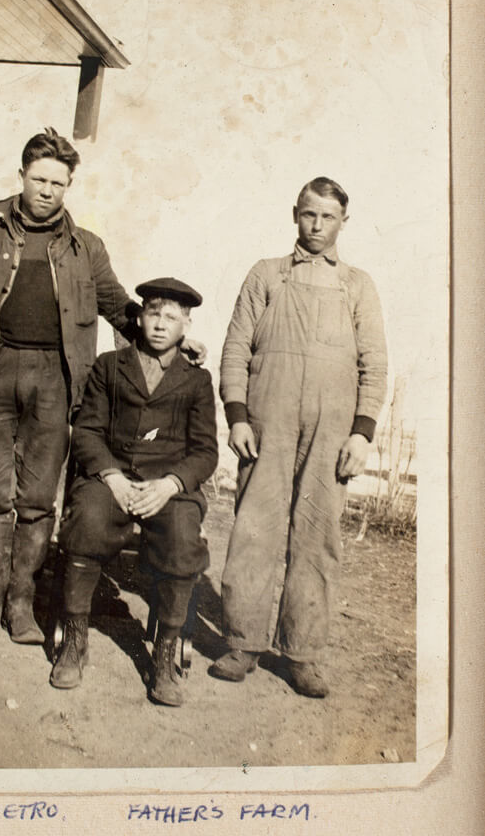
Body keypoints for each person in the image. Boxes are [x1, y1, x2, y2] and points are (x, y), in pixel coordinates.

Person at [0, 129, 204, 645]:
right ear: (21, 177)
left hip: (56, 380)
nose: (47, 191)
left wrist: (173, 345)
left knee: (37, 495)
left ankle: (21, 607)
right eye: (39, 179)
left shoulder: (87, 249)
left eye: (58, 183)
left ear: (69, 186)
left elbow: (120, 306)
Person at [211, 177, 387, 697]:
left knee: (317, 537)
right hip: (267, 423)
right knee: (254, 529)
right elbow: (235, 348)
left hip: (331, 434)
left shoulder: (359, 285)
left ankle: (303, 654)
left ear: (342, 223)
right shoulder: (266, 275)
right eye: (309, 215)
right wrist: (238, 415)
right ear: (295, 214)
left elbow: (374, 366)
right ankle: (242, 643)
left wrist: (362, 433)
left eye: (328, 217)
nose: (317, 226)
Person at [51, 277, 218, 707]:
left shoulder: (196, 381)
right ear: (139, 317)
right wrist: (112, 477)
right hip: (113, 479)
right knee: (86, 519)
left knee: (183, 538)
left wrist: (170, 484)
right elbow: (87, 430)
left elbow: (204, 452)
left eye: (172, 317)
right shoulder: (110, 366)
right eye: (153, 313)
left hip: (167, 488)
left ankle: (165, 653)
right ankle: (74, 637)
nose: (161, 325)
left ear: (186, 325)